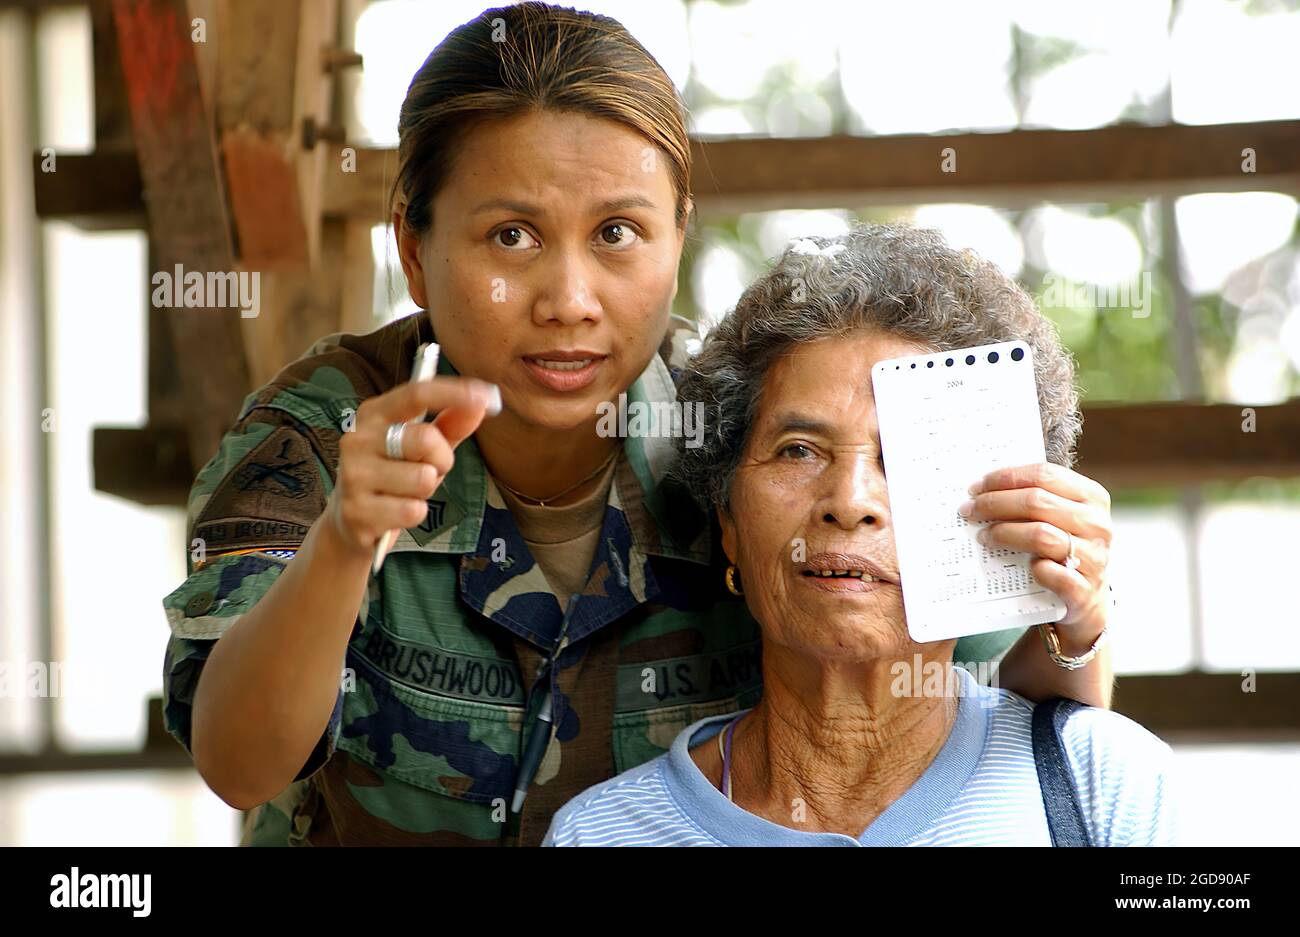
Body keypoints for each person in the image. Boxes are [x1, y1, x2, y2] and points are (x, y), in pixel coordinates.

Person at [160, 4, 1112, 847]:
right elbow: (239, 763)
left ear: (676, 236)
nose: (570, 301)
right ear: (413, 247)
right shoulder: (322, 436)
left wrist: (1077, 620)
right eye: (511, 237)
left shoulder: (757, 435)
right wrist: (343, 542)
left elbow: (996, 734)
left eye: (617, 233)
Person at [544, 224, 1176, 846]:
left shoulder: (1104, 784)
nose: (849, 503)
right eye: (797, 451)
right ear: (728, 522)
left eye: (905, 459)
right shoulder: (602, 833)